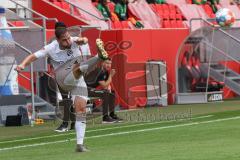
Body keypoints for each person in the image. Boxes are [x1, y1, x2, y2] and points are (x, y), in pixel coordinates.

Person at [15, 22, 108, 152]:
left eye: (69, 38)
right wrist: (22, 65)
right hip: (63, 78)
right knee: (77, 66)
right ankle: (99, 57)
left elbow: (83, 40)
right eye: (64, 40)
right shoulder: (50, 47)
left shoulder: (74, 41)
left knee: (80, 110)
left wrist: (83, 40)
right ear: (58, 40)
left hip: (78, 80)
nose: (68, 41)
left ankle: (80, 145)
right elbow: (33, 56)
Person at [55, 37, 92, 133]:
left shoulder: (75, 42)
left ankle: (71, 122)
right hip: (63, 76)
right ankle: (66, 122)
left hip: (75, 75)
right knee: (65, 99)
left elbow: (85, 56)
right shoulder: (56, 46)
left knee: (74, 99)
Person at [85, 58, 122, 123]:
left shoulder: (105, 72)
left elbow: (107, 85)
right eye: (107, 63)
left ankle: (112, 115)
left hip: (91, 89)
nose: (109, 65)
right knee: (105, 93)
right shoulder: (99, 71)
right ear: (102, 63)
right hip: (85, 90)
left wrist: (109, 89)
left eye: (110, 64)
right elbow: (104, 85)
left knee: (111, 93)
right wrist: (111, 75)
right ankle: (105, 117)